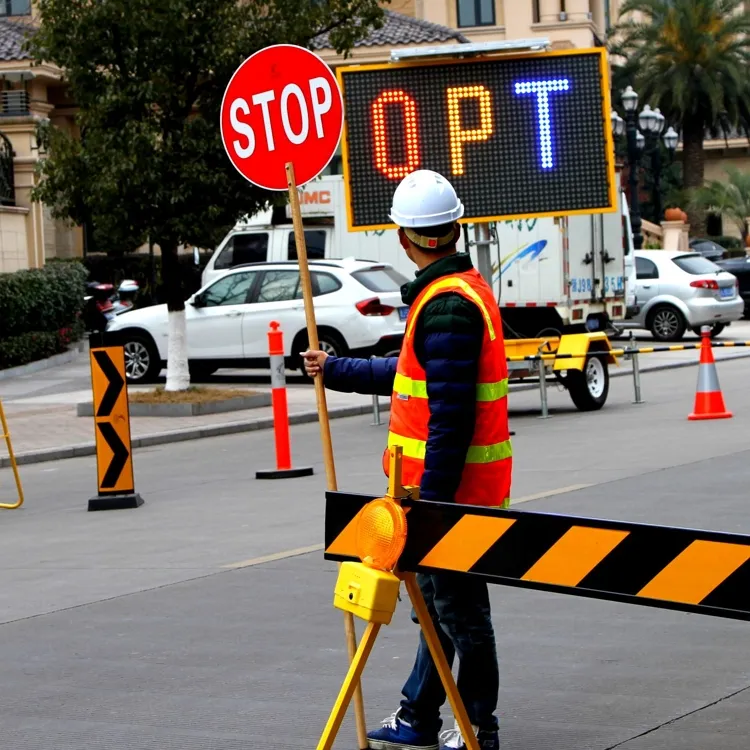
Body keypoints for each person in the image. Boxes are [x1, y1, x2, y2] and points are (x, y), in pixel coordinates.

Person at [302, 169, 512, 750]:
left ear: (404, 238)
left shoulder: (447, 306)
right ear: (454, 227)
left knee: (461, 615)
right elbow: (409, 376)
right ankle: (418, 715)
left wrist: (431, 510)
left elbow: (450, 419)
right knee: (435, 607)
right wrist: (335, 370)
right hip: (444, 491)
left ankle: (476, 729)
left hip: (449, 494)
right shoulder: (449, 297)